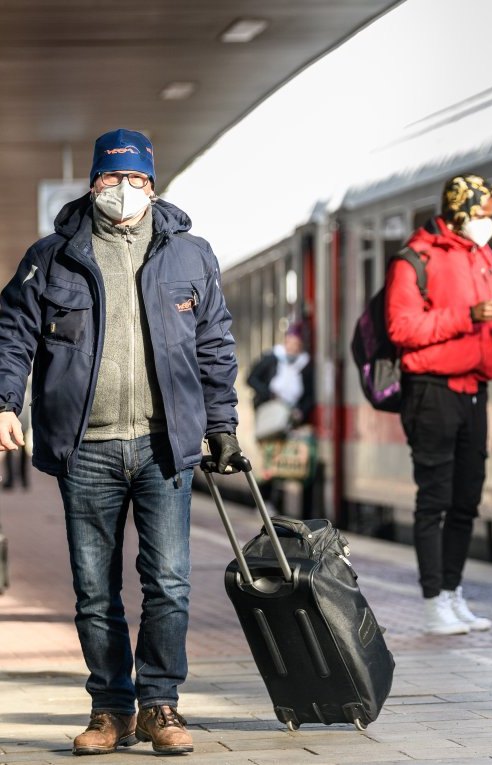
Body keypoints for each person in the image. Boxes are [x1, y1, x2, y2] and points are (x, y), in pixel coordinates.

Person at [0, 128, 244, 755]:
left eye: (136, 179)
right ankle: (111, 708)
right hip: (88, 450)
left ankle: (161, 704)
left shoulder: (191, 256)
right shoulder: (51, 256)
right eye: (113, 179)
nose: (124, 190)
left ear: (153, 185)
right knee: (93, 587)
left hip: (164, 447)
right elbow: (12, 334)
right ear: (92, 183)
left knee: (169, 581)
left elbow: (214, 346)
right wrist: (4, 401)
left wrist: (222, 426)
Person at [386, 174, 492, 636]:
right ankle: (431, 602)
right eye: (483, 214)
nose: (489, 223)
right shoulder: (415, 257)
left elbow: (489, 334)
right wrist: (468, 316)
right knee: (435, 500)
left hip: (474, 390)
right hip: (431, 390)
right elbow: (402, 329)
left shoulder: (482, 256)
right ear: (460, 212)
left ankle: (452, 593)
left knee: (466, 499)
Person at [246, 323, 315, 514]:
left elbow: (310, 394)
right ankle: (266, 501)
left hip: (292, 419)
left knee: (290, 461)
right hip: (271, 418)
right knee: (270, 458)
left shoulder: (305, 364)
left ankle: (296, 508)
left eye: (296, 343)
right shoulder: (271, 358)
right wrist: (269, 394)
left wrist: (301, 411)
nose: (292, 346)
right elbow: (251, 378)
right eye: (290, 342)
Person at [1, 379, 30, 491]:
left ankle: (17, 479)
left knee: (16, 445)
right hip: (18, 408)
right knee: (12, 445)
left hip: (20, 409)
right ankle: (19, 479)